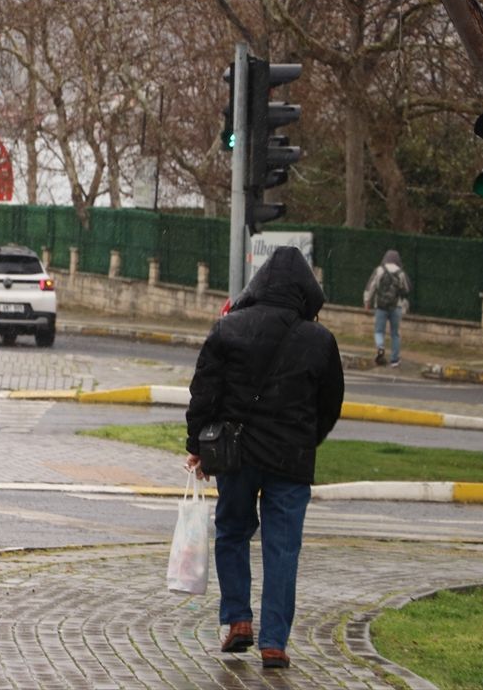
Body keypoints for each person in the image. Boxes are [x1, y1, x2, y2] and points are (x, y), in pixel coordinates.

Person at [184, 246, 344, 670]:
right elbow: (331, 404)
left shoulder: (228, 328)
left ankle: (237, 619)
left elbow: (204, 391)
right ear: (306, 292)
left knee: (233, 532)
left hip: (235, 454)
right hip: (291, 459)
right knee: (282, 548)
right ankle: (274, 642)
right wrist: (309, 439)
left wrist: (196, 445)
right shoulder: (320, 340)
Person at [362, 250, 411, 367]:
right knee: (395, 334)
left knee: (379, 331)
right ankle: (394, 360)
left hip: (380, 306)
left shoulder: (379, 270)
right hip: (396, 306)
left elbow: (371, 287)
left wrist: (367, 302)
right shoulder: (400, 273)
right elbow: (407, 289)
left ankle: (380, 347)